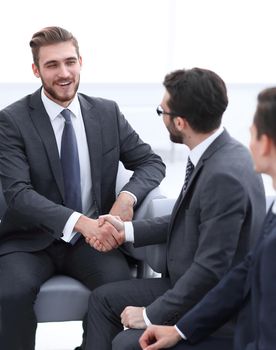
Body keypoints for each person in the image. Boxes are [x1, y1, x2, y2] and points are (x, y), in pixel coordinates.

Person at [0, 26, 166, 350]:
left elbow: (151, 163)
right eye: (52, 65)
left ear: (80, 62)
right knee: (10, 294)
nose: (64, 73)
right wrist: (81, 222)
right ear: (36, 70)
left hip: (94, 242)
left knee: (119, 289)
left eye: (70, 62)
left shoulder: (106, 112)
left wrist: (126, 198)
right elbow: (18, 194)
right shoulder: (12, 121)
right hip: (31, 240)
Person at [83, 67, 266, 350]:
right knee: (102, 300)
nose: (162, 117)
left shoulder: (223, 175)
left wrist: (149, 315)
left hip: (209, 300)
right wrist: (127, 230)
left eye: (162, 111)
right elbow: (190, 216)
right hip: (184, 282)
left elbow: (210, 270)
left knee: (126, 342)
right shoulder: (219, 153)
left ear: (179, 122)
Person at [139, 86, 276, 350]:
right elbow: (242, 275)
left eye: (253, 135)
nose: (248, 144)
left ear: (266, 143)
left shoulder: (224, 172)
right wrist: (180, 331)